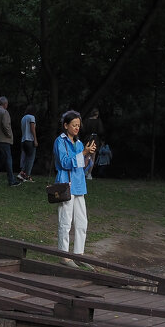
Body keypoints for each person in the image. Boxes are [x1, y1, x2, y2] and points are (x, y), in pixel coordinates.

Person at [53, 110, 95, 266]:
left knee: (82, 221)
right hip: (66, 185)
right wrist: (83, 152)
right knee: (65, 220)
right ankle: (64, 256)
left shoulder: (78, 143)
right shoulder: (60, 141)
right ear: (66, 125)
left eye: (78, 125)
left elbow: (82, 167)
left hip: (79, 186)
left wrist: (88, 155)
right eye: (74, 125)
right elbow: (64, 162)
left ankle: (79, 254)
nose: (77, 128)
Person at [0, 96, 19, 186]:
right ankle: (11, 181)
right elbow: (6, 125)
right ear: (5, 104)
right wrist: (9, 135)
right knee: (8, 159)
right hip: (4, 139)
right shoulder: (4, 112)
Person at [81, 109, 105, 180]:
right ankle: (89, 173)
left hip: (87, 138)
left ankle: (84, 172)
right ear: (97, 115)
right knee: (92, 157)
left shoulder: (86, 121)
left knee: (86, 155)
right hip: (94, 139)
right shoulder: (98, 121)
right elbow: (101, 131)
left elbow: (83, 130)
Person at [19, 106, 38, 181]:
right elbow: (32, 128)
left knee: (26, 158)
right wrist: (35, 139)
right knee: (31, 158)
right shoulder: (32, 117)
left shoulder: (23, 118)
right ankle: (27, 175)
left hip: (23, 140)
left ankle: (22, 174)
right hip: (30, 140)